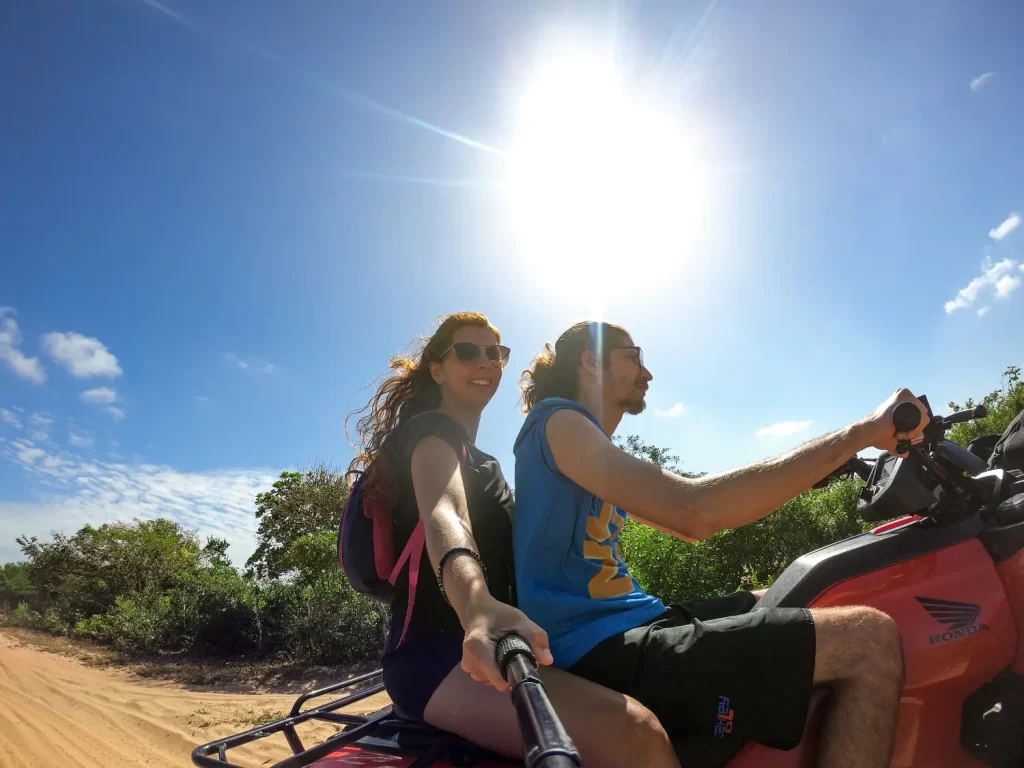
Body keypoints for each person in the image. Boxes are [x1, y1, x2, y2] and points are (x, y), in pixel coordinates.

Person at [511, 320, 923, 768]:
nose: (647, 373)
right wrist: (862, 431)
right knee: (870, 638)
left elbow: (694, 511)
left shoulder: (585, 440)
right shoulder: (559, 421)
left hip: (635, 622)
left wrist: (809, 469)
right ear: (591, 362)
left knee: (814, 588)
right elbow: (695, 513)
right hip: (600, 650)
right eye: (634, 357)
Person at [345, 311, 680, 768]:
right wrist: (476, 602)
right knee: (636, 733)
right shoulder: (430, 434)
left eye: (495, 353)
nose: (486, 362)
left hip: (504, 647)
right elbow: (446, 512)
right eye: (468, 351)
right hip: (437, 659)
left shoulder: (486, 463)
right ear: (437, 370)